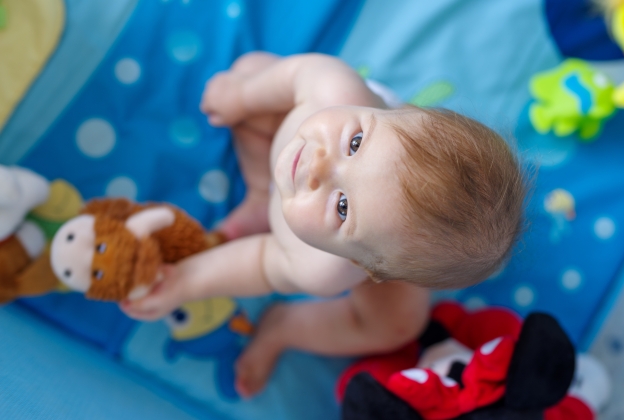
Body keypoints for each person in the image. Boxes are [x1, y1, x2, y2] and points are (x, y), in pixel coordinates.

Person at [120, 52, 526, 397]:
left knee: (398, 326)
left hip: (394, 242)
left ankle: (284, 327)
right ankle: (263, 194)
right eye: (354, 144)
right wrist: (243, 96)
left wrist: (182, 283)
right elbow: (299, 74)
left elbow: (263, 262)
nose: (318, 166)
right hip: (292, 124)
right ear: (396, 115)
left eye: (343, 206)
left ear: (369, 271)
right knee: (252, 68)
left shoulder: (323, 267)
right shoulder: (335, 92)